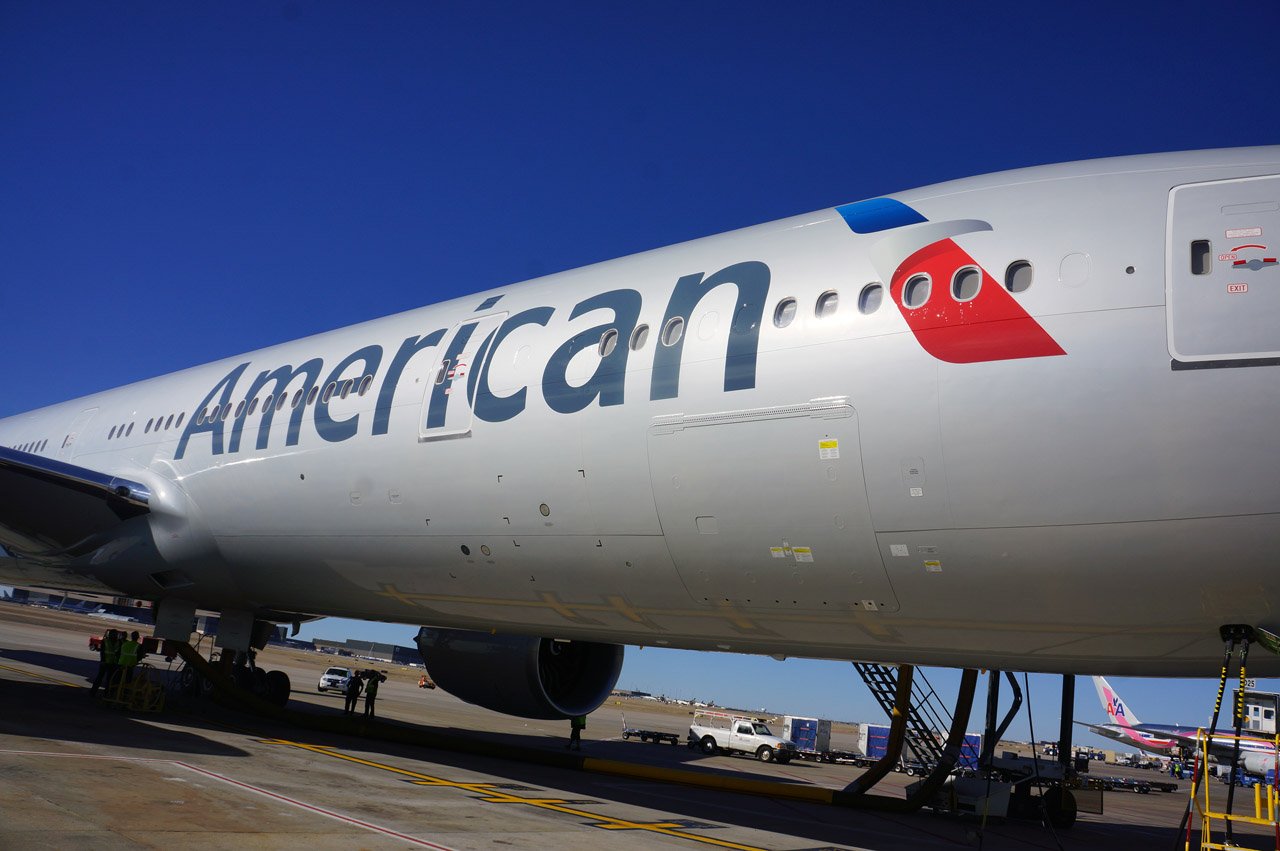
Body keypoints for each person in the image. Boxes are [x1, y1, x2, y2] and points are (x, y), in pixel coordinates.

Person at [90, 629, 121, 696]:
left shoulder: (106, 641)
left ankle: (94, 692)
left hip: (107, 663)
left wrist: (102, 660)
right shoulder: (118, 642)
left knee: (101, 678)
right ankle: (105, 693)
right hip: (111, 663)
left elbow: (102, 652)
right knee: (108, 679)